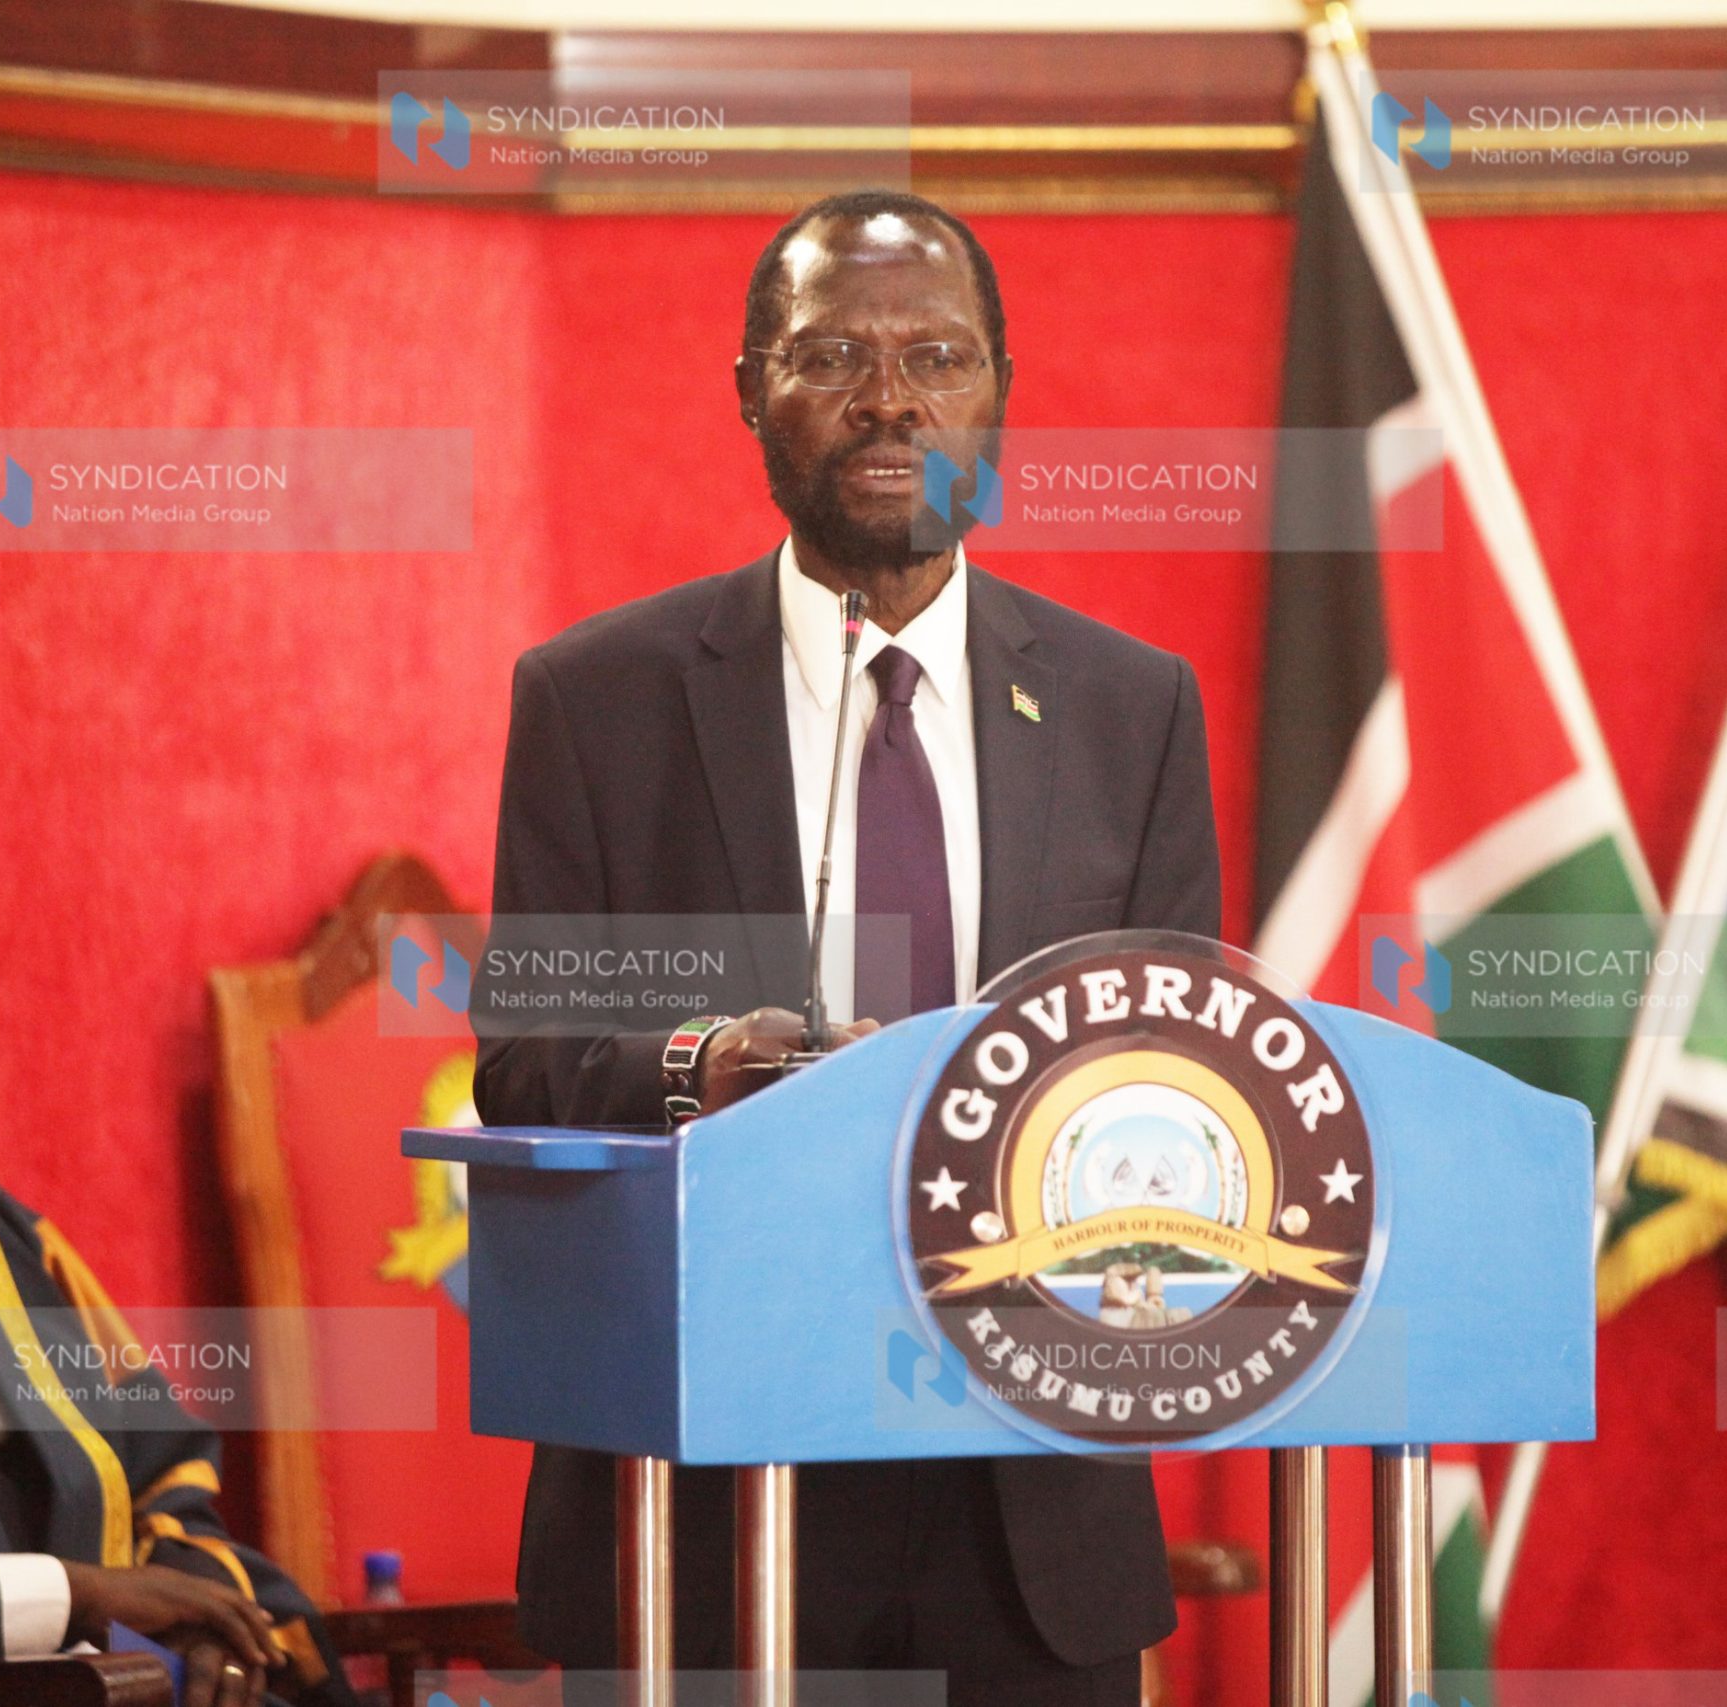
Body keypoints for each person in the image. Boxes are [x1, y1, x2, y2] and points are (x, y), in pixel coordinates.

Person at [478, 188, 1221, 1704]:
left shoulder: (1130, 706)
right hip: (707, 1496)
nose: (891, 399)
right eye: (831, 356)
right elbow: (527, 1062)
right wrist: (701, 1064)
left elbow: (1178, 1068)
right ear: (750, 391)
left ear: (998, 391)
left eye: (938, 356)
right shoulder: (597, 699)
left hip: (1028, 1511)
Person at [0, 936, 358, 1707]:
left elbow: (162, 1470)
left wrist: (200, 1620)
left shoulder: (1, 1239)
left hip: (124, 1681)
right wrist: (87, 1594)